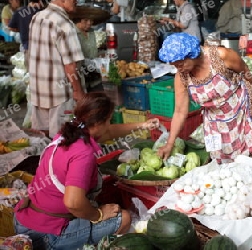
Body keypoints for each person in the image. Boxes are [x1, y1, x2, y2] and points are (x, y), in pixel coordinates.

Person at [14, 92, 160, 250]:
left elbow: (109, 132)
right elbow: (73, 203)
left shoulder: (70, 132)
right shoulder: (83, 154)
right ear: (97, 123)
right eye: (108, 119)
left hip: (25, 219)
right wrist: (98, 215)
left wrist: (142, 126)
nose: (109, 123)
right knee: (124, 218)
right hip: (47, 235)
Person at [157, 33, 252, 164]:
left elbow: (245, 72)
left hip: (241, 113)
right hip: (215, 123)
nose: (178, 69)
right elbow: (180, 112)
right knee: (223, 167)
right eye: (175, 65)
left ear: (191, 54)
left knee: (250, 161)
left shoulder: (222, 56)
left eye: (180, 64)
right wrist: (169, 144)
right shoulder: (182, 77)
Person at [28, 0, 85, 138]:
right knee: (62, 138)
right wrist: (78, 92)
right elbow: (70, 66)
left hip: (38, 90)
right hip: (59, 93)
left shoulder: (37, 18)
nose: (76, 0)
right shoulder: (64, 24)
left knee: (42, 136)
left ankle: (43, 163)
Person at [8, 0, 44, 69]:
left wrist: (21, 29)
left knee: (30, 72)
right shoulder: (42, 13)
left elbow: (10, 27)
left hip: (27, 47)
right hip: (42, 48)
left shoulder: (20, 12)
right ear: (40, 1)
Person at [72, 11, 103, 92]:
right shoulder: (72, 33)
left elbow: (93, 51)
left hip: (95, 76)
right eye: (85, 20)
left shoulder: (91, 32)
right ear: (78, 20)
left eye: (91, 20)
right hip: (81, 76)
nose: (89, 23)